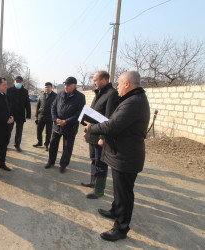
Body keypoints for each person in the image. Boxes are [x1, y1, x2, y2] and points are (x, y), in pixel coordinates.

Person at [84, 71, 150, 241]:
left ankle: (121, 228)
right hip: (121, 154)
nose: (118, 87)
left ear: (127, 84)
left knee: (124, 194)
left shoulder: (134, 102)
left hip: (127, 156)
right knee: (119, 191)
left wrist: (91, 128)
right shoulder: (131, 100)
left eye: (120, 83)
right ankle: (115, 211)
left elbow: (112, 125)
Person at [82, 71, 118, 199]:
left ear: (103, 80)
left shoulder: (111, 94)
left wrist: (103, 138)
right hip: (93, 133)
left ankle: (99, 190)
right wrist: (87, 131)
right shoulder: (98, 93)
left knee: (101, 163)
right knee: (93, 160)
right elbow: (92, 114)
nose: (94, 83)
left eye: (95, 80)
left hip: (101, 137)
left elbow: (108, 119)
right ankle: (93, 182)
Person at [45, 76, 86, 173]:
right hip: (57, 125)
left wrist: (66, 121)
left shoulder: (80, 97)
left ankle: (63, 165)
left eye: (68, 85)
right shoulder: (60, 94)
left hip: (70, 127)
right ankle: (51, 161)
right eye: (65, 85)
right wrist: (55, 119)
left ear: (74, 86)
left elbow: (79, 113)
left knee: (67, 147)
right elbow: (53, 107)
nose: (66, 87)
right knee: (53, 144)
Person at [7, 76, 31, 152]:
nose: (18, 83)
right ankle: (5, 144)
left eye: (19, 82)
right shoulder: (9, 90)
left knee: (19, 131)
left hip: (20, 114)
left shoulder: (25, 91)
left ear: (22, 82)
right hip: (11, 114)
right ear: (14, 82)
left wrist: (28, 114)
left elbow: (27, 103)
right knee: (8, 130)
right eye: (17, 81)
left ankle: (17, 145)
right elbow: (6, 102)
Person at [33, 82, 57, 151]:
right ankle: (39, 142)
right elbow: (38, 106)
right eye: (45, 87)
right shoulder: (41, 95)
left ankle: (46, 144)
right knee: (39, 130)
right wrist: (36, 116)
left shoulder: (55, 96)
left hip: (50, 117)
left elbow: (56, 107)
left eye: (48, 87)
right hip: (41, 116)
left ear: (51, 88)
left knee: (48, 132)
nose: (47, 88)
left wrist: (55, 116)